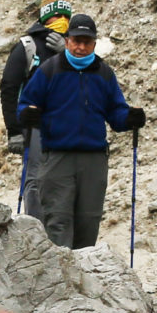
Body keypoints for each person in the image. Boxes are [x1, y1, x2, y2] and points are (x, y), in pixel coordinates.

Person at [17, 14, 145, 250]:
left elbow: (115, 114)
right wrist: (26, 115)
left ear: (94, 44)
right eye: (76, 41)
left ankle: (82, 282)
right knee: (57, 222)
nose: (81, 47)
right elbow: (25, 103)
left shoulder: (104, 73)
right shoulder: (49, 70)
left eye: (87, 42)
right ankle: (61, 283)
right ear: (67, 41)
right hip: (56, 158)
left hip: (94, 160)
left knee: (89, 223)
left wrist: (130, 118)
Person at [0, 0, 72, 219]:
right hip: (36, 125)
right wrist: (13, 131)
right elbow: (9, 88)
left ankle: (60, 234)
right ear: (44, 16)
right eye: (56, 16)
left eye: (66, 17)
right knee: (36, 178)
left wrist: (68, 55)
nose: (62, 21)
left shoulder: (76, 46)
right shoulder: (27, 46)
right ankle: (36, 229)